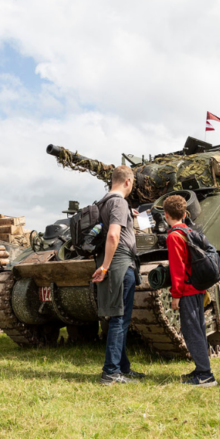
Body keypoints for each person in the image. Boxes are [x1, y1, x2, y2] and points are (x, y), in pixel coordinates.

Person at [91, 165, 145, 385]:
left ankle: (122, 367)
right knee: (119, 319)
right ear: (128, 182)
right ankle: (111, 372)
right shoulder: (119, 202)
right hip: (119, 264)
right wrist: (105, 267)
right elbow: (113, 235)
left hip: (114, 263)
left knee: (120, 318)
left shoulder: (103, 202)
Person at [163, 195, 217, 387]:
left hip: (186, 290)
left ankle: (205, 375)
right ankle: (201, 368)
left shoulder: (173, 236)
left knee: (191, 331)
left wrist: (175, 295)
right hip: (197, 287)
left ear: (166, 214)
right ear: (185, 214)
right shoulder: (188, 231)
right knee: (198, 330)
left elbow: (177, 269)